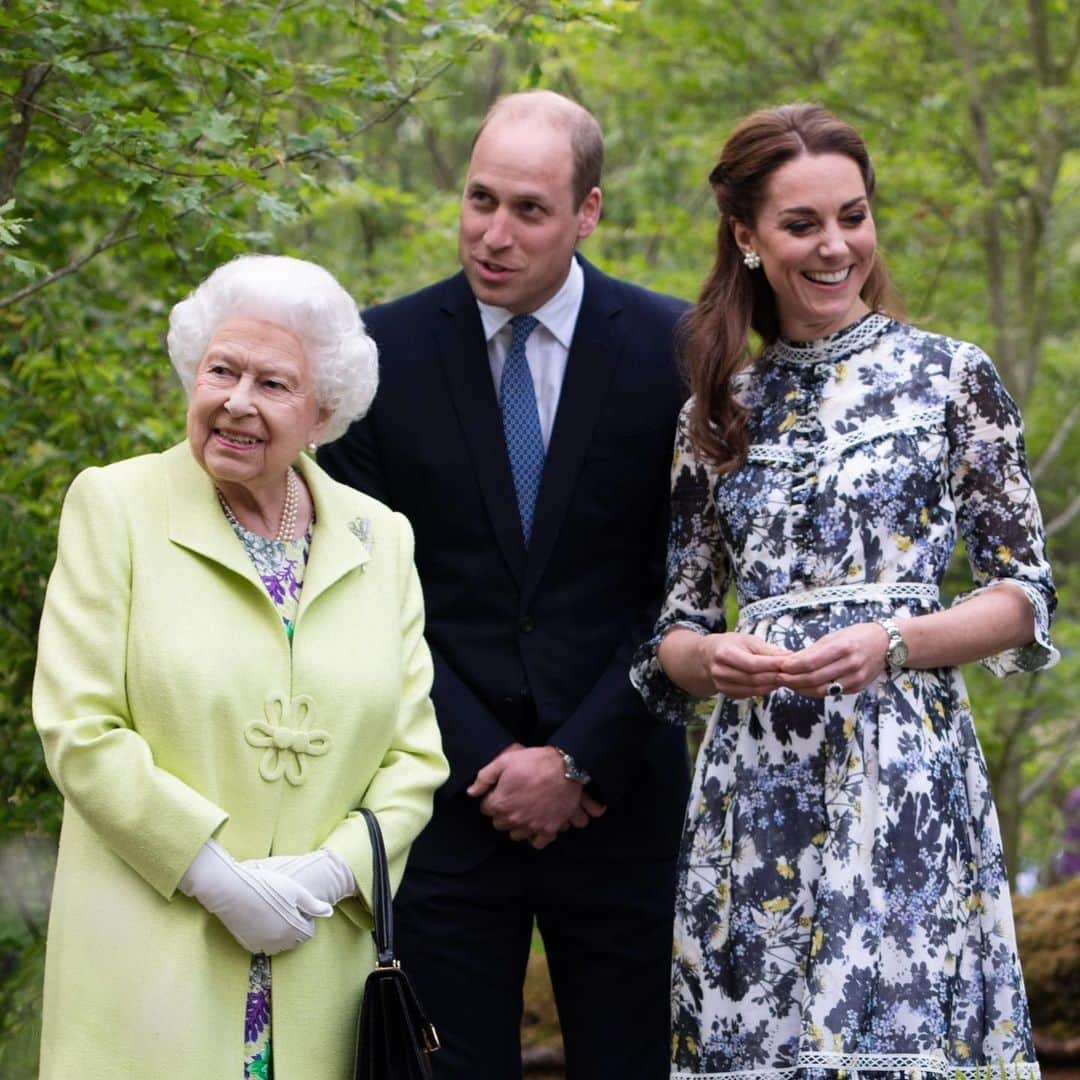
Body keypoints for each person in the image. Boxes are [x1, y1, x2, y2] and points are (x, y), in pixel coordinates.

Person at [631, 103, 1058, 1080]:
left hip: (903, 778)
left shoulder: (952, 378)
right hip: (756, 798)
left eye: (853, 217)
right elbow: (676, 632)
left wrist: (896, 642)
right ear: (746, 237)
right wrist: (715, 658)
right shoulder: (715, 409)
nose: (836, 246)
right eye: (802, 224)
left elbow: (1024, 595)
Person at [318, 89, 690, 1078]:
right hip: (444, 800)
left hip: (623, 797)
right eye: (479, 199)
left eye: (528, 209)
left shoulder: (677, 352)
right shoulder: (374, 357)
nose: (493, 233)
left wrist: (578, 759)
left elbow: (688, 586)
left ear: (589, 212)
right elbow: (362, 590)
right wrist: (495, 763)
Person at [32, 254, 449, 1080]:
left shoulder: (379, 537)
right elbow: (79, 728)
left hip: (317, 963)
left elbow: (415, 755)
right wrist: (214, 876)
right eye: (221, 370)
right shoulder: (115, 508)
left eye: (273, 384)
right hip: (151, 959)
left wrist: (333, 872)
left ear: (323, 411)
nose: (236, 402)